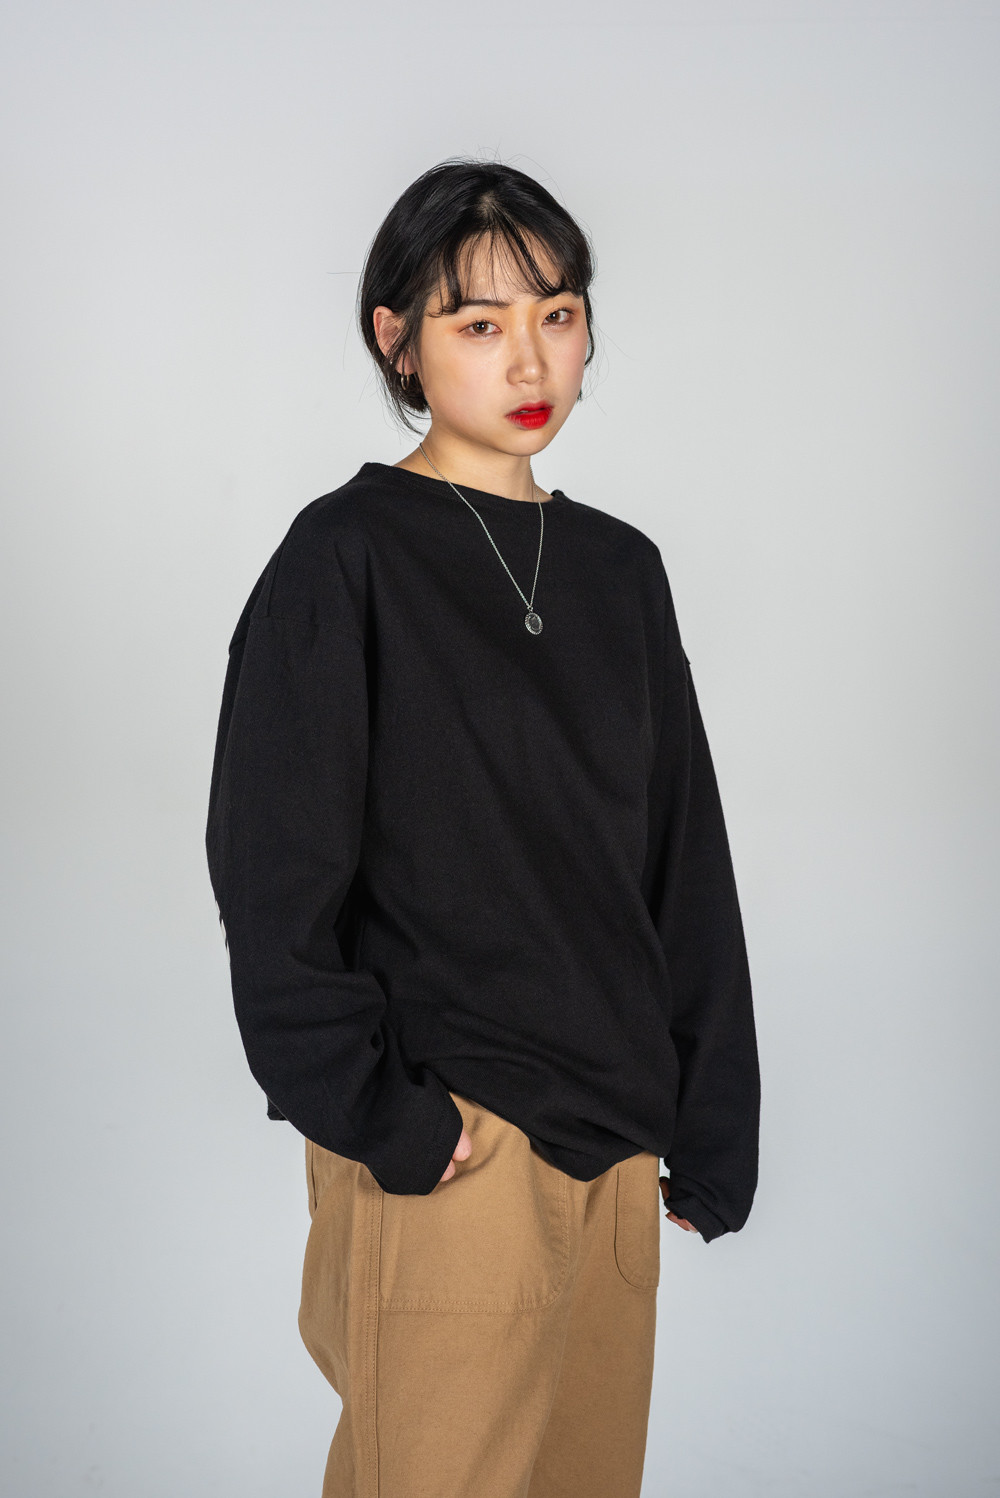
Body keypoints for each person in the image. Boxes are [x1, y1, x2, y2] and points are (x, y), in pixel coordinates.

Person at [205, 156, 760, 1498]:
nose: (530, 358)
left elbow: (681, 857)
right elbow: (271, 873)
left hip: (616, 1152)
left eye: (557, 314)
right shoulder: (344, 558)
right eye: (479, 322)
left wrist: (713, 1123)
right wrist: (382, 1117)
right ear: (395, 337)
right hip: (453, 1148)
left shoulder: (621, 569)